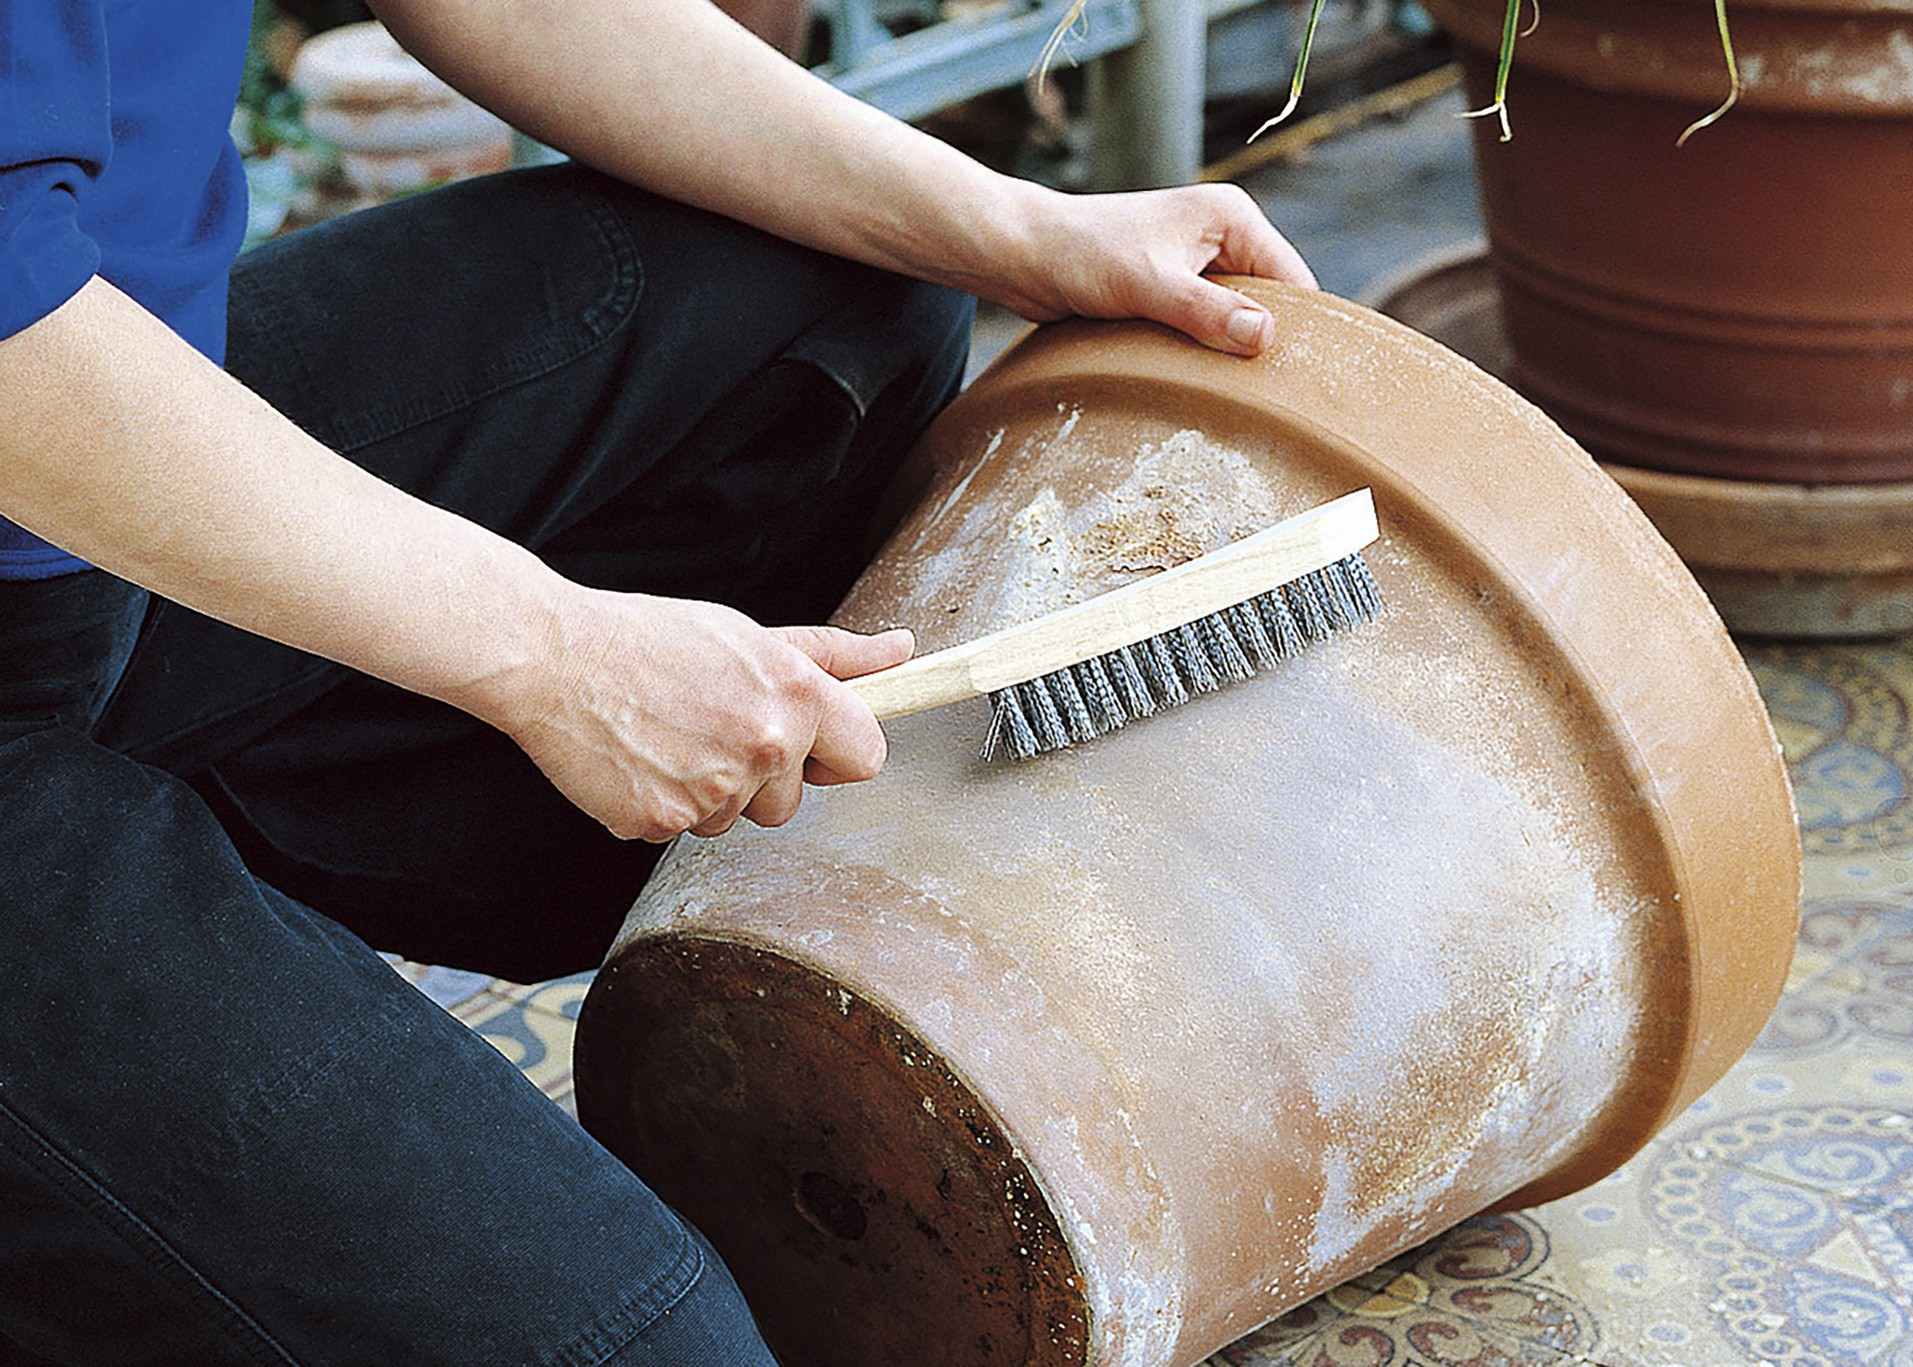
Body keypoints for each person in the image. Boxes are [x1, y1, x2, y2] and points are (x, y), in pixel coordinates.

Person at [0, 1, 1316, 1361]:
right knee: (645, 1342)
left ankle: (147, 958)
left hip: (93, 504)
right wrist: (551, 653)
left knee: (831, 301)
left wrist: (1023, 227)